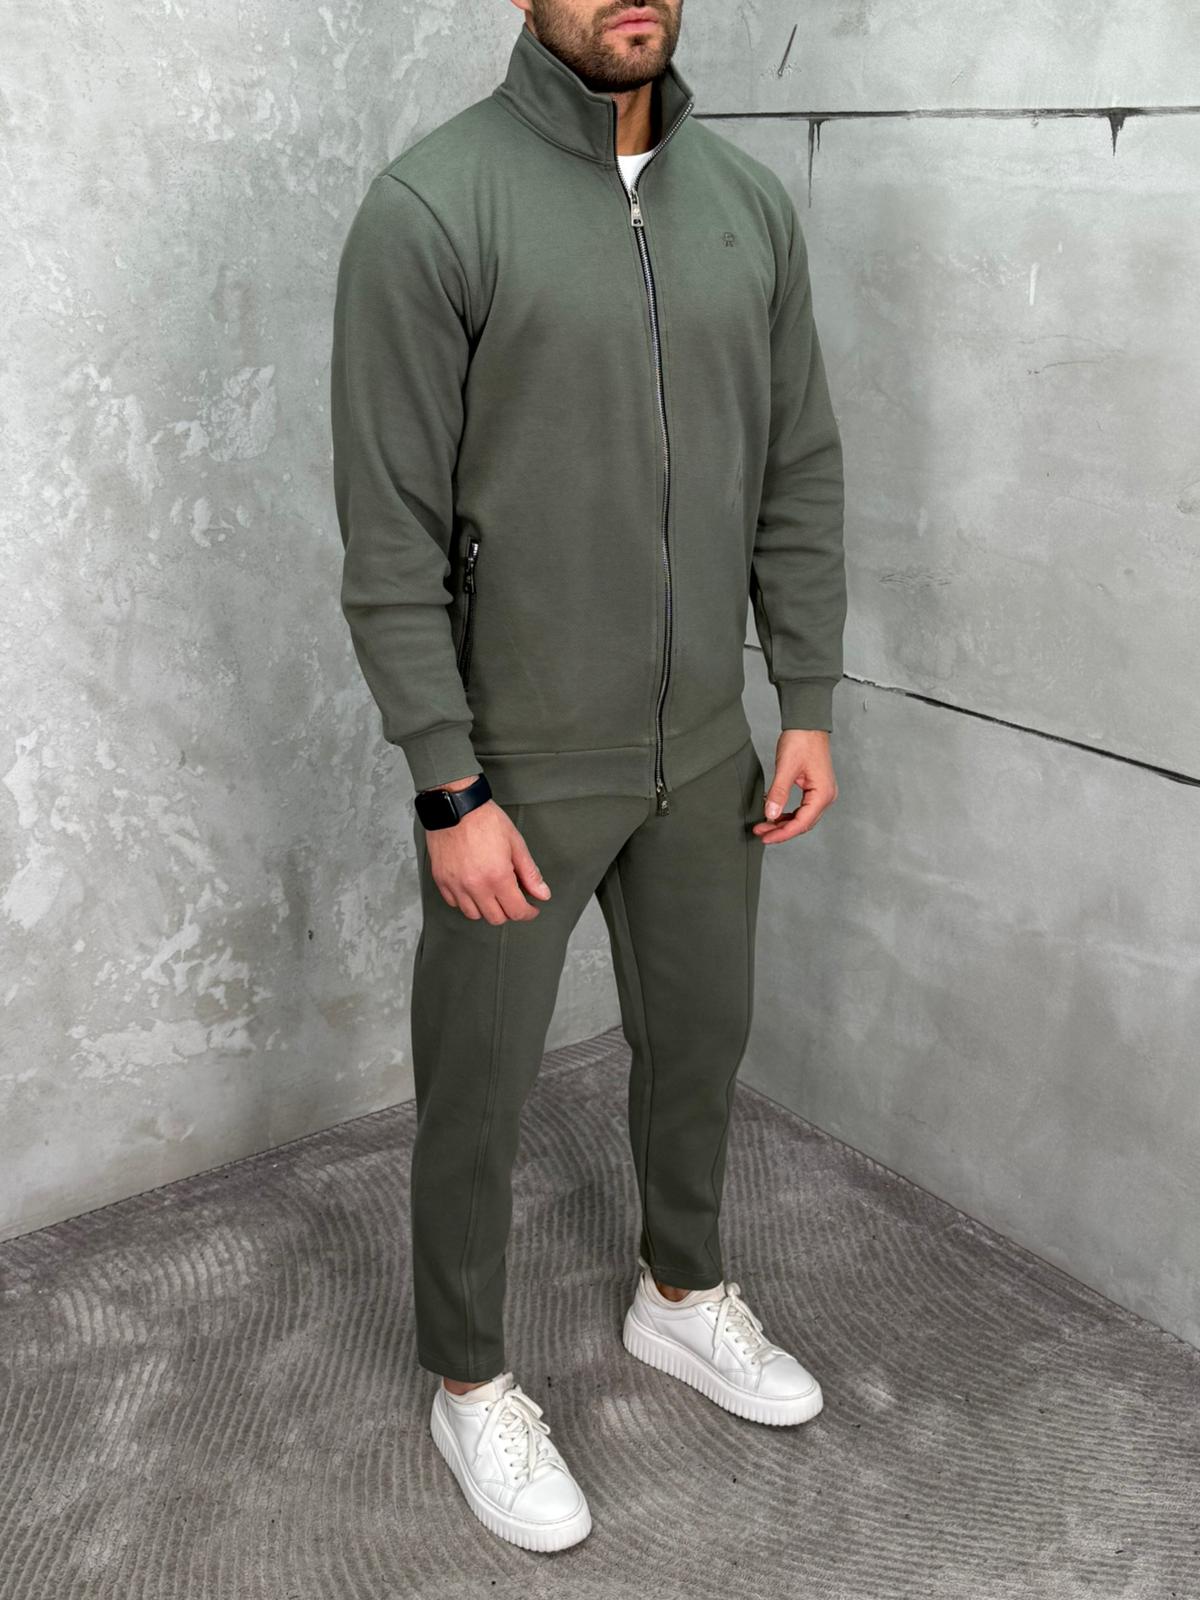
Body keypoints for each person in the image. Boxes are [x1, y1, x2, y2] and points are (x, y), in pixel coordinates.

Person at [330, 0, 846, 1553]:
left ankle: (680, 1295)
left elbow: (798, 462)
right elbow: (389, 532)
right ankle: (468, 1378)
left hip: (707, 748)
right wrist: (448, 784)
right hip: (520, 762)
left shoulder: (746, 207)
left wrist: (805, 693)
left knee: (700, 1043)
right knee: (478, 1090)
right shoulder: (433, 208)